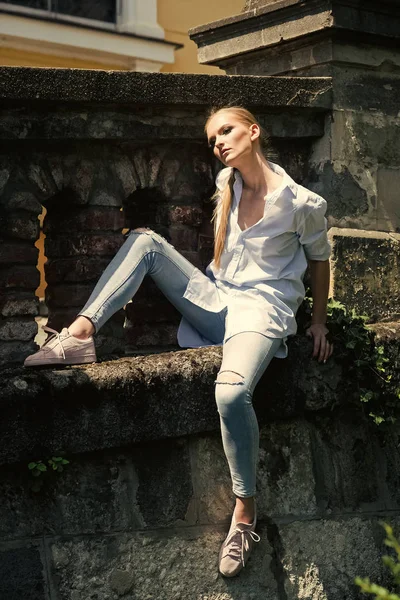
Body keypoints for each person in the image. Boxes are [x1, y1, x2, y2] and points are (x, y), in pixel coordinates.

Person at [24, 106, 333, 577]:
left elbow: (319, 262)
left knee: (230, 392)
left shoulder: (302, 203)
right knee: (146, 241)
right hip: (217, 301)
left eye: (226, 131)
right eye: (212, 139)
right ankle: (81, 334)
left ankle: (244, 511)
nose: (219, 143)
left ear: (254, 131)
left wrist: (319, 323)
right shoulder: (227, 184)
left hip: (261, 312)